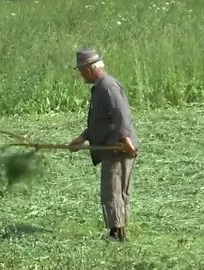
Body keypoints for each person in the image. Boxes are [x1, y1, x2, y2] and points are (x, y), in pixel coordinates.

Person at [69, 48, 139, 241]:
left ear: (90, 69)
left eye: (81, 71)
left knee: (114, 190)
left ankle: (117, 235)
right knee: (114, 190)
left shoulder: (107, 86)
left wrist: (126, 141)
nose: (81, 75)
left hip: (117, 148)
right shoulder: (101, 87)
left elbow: (121, 114)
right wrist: (83, 137)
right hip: (112, 146)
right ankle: (116, 231)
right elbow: (102, 120)